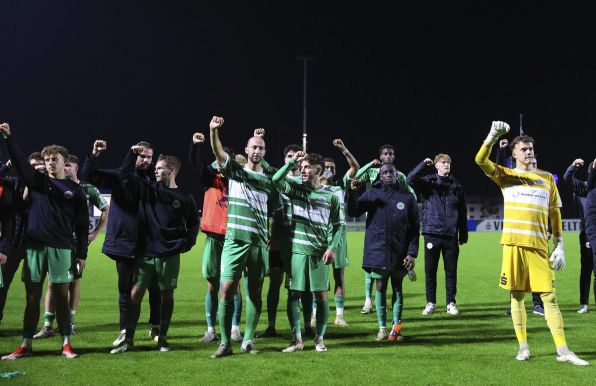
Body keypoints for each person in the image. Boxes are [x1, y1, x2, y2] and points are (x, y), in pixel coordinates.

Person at [475, 121, 588, 365]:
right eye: (524, 149)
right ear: (514, 154)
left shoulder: (547, 179)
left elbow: (555, 213)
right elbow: (481, 161)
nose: (529, 152)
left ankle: (563, 351)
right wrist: (492, 136)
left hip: (538, 247)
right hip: (513, 245)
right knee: (517, 297)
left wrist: (559, 245)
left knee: (549, 297)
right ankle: (523, 347)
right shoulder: (507, 176)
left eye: (531, 149)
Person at [0, 122, 88, 360]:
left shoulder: (75, 191)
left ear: (64, 162)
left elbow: (81, 225)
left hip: (61, 248)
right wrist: (9, 138)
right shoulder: (38, 182)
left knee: (61, 296)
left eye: (54, 159)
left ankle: (66, 343)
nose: (50, 162)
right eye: (47, 159)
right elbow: (19, 162)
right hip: (35, 247)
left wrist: (82, 254)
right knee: (32, 296)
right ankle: (26, 344)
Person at [111, 148, 199, 353]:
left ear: (173, 170)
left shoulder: (184, 196)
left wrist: (188, 242)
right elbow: (124, 177)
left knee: (167, 295)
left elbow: (194, 222)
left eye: (160, 168)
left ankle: (163, 338)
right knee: (135, 293)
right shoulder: (149, 189)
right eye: (156, 168)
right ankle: (128, 339)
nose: (155, 171)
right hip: (146, 253)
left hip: (169, 254)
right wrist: (131, 155)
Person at [81, 140, 162, 347]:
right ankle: (125, 330)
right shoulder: (119, 176)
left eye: (148, 157)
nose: (145, 160)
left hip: (150, 244)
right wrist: (95, 155)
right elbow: (87, 176)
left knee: (155, 288)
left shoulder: (154, 179)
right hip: (125, 244)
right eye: (141, 156)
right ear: (134, 156)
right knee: (125, 290)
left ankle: (155, 325)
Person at [209, 116, 276, 358]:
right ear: (246, 150)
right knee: (226, 288)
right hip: (235, 240)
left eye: (261, 147)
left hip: (258, 243)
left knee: (255, 292)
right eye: (253, 147)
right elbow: (218, 153)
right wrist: (213, 131)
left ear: (264, 151)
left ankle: (248, 340)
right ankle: (225, 342)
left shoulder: (269, 180)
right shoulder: (235, 171)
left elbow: (276, 211)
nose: (256, 150)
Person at [272, 151, 342, 353]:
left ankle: (319, 339)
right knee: (294, 295)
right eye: (300, 167)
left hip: (319, 253)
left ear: (318, 170)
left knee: (321, 297)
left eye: (305, 167)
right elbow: (277, 180)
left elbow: (338, 226)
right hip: (297, 252)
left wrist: (332, 247)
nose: (301, 170)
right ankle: (297, 340)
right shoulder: (295, 189)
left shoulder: (331, 197)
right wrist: (291, 162)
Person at [33, 155, 109, 338]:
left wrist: (96, 232)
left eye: (69, 166)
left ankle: (70, 321)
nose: (65, 168)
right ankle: (48, 324)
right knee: (53, 282)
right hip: (58, 240)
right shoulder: (55, 185)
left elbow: (105, 208)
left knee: (74, 282)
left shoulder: (86, 188)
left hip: (77, 242)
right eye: (63, 165)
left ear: (76, 168)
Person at [348, 163, 419, 341]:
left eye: (391, 172)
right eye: (385, 172)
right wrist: (353, 192)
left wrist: (411, 253)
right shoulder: (372, 194)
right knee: (380, 286)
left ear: (396, 174)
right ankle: (382, 329)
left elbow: (414, 228)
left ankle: (396, 329)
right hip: (377, 250)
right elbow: (353, 211)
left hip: (400, 251)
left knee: (397, 288)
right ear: (380, 176)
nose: (388, 175)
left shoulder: (408, 197)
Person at [189, 132, 244, 343]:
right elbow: (197, 166)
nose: (216, 163)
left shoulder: (240, 180)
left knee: (233, 285)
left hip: (234, 237)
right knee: (212, 285)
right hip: (213, 237)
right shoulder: (211, 179)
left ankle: (234, 329)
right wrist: (195, 146)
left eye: (220, 159)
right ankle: (211, 330)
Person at [354, 145, 415, 313]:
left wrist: (411, 206)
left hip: (395, 217)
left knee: (392, 256)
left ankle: (406, 267)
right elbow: (355, 176)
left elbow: (409, 192)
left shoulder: (399, 175)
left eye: (391, 154)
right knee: (373, 262)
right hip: (374, 217)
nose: (388, 156)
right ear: (380, 156)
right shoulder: (371, 172)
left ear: (394, 157)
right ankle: (368, 300)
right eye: (385, 154)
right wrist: (368, 164)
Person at [407, 154, 467, 316]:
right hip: (432, 233)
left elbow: (462, 211)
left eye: (448, 163)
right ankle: (431, 303)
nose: (447, 165)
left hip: (451, 235)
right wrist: (421, 165)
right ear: (436, 165)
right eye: (443, 162)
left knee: (451, 271)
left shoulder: (456, 185)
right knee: (430, 271)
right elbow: (409, 180)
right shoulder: (428, 183)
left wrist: (463, 233)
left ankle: (451, 303)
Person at [258, 142, 304, 338]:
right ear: (285, 159)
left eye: (296, 156)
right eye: (289, 156)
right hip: (278, 239)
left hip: (297, 239)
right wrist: (259, 138)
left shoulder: (305, 181)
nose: (292, 159)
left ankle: (302, 328)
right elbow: (265, 164)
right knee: (274, 283)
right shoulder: (278, 178)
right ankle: (271, 326)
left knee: (296, 287)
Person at [312, 139, 359, 327]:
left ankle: (339, 316)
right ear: (320, 169)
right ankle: (315, 314)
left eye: (332, 167)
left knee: (339, 277)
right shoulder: (314, 187)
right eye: (327, 167)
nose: (330, 170)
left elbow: (355, 167)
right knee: (318, 279)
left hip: (339, 238)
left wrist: (344, 150)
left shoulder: (340, 185)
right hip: (320, 237)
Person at [497, 139, 546, 316]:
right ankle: (515, 305)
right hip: (517, 237)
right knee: (516, 273)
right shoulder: (515, 181)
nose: (530, 161)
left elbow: (550, 211)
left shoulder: (544, 183)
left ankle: (538, 304)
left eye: (534, 161)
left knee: (536, 273)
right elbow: (500, 170)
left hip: (537, 237)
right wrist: (502, 151)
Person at [563, 158, 595, 314]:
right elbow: (567, 179)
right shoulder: (584, 188)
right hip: (588, 235)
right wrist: (572, 167)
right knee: (587, 269)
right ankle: (584, 303)